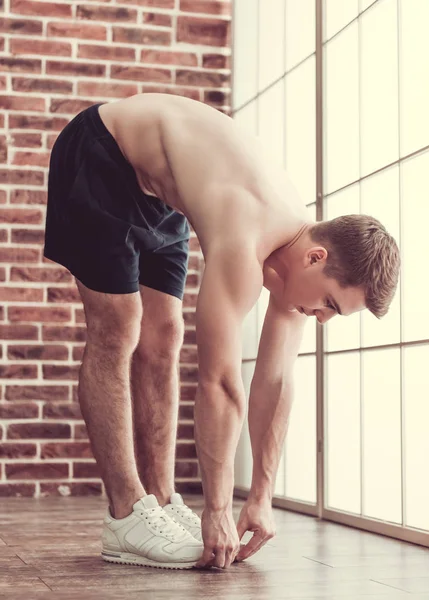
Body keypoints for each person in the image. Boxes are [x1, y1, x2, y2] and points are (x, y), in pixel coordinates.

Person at [43, 93, 400, 571]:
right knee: (119, 326)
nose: (323, 318)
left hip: (161, 192)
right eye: (331, 304)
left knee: (165, 335)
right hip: (103, 151)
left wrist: (261, 497)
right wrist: (216, 508)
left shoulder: (296, 258)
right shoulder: (246, 239)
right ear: (317, 258)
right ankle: (125, 514)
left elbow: (275, 381)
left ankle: (163, 498)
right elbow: (220, 383)